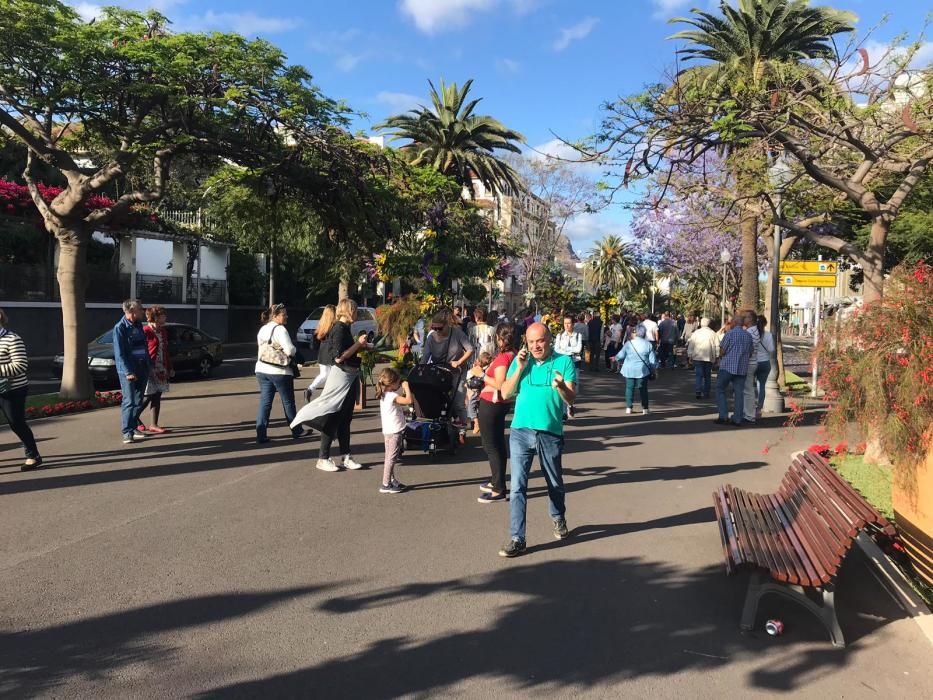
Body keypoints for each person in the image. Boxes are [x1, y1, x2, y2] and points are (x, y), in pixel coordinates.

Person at [497, 322, 576, 557]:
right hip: (521, 431)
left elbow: (571, 398)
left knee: (554, 482)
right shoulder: (522, 361)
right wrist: (519, 367)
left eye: (539, 341)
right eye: (531, 342)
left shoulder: (564, 362)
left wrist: (561, 386)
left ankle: (558, 517)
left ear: (549, 340)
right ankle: (517, 537)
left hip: (549, 432)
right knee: (518, 486)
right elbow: (505, 393)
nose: (535, 346)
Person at [291, 298, 373, 471]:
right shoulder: (338, 328)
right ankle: (323, 458)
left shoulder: (344, 328)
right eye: (356, 310)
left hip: (349, 377)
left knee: (345, 419)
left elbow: (346, 352)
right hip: (341, 377)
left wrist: (363, 347)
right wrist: (358, 344)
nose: (357, 313)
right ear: (349, 310)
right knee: (333, 416)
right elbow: (338, 356)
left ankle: (346, 456)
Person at [477, 323, 518, 504]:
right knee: (497, 444)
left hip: (492, 404)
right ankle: (497, 481)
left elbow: (500, 385)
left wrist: (482, 374)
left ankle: (498, 488)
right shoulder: (513, 355)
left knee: (491, 446)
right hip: (498, 405)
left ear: (501, 339)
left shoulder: (504, 358)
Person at [255, 303, 303, 444]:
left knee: (265, 402)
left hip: (261, 369)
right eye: (284, 314)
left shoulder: (262, 329)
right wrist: (297, 354)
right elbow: (289, 350)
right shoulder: (280, 329)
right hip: (280, 371)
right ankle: (297, 430)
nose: (286, 316)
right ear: (275, 316)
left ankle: (261, 434)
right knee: (288, 402)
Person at [0, 308, 42, 470]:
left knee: (16, 423)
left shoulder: (12, 339)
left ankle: (33, 455)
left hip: (13, 390)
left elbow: (21, 365)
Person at [421, 308, 474, 435]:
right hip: (439, 371)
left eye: (440, 328)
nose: (437, 331)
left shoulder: (457, 333)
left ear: (447, 325)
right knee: (437, 399)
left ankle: (462, 430)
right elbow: (425, 356)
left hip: (457, 371)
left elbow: (470, 349)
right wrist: (421, 368)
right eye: (435, 328)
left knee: (458, 402)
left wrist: (459, 362)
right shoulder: (431, 338)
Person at [113, 299, 150, 444]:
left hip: (142, 367)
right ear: (132, 311)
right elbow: (119, 353)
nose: (143, 311)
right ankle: (127, 432)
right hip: (129, 370)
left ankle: (134, 427)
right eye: (141, 309)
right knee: (129, 401)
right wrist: (128, 371)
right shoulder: (120, 328)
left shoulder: (139, 325)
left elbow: (143, 347)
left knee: (139, 400)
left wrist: (148, 365)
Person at [375, 367, 413, 494]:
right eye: (398, 382)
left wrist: (403, 411)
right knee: (391, 458)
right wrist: (406, 387)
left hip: (388, 430)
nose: (399, 383)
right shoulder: (392, 395)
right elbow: (409, 400)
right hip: (394, 432)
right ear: (391, 384)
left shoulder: (384, 394)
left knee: (390, 456)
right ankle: (385, 484)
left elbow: (393, 409)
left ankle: (391, 480)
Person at [138, 305, 173, 434]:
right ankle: (133, 418)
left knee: (157, 396)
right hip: (149, 368)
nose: (165, 317)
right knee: (147, 396)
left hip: (161, 367)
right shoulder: (145, 331)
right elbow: (141, 351)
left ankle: (154, 424)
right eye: (163, 315)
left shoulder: (163, 331)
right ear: (156, 317)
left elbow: (165, 350)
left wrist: (169, 367)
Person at [715, 314, 754, 427]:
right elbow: (750, 352)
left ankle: (723, 416)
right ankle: (737, 418)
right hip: (742, 368)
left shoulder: (730, 334)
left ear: (734, 323)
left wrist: (722, 356)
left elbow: (722, 351)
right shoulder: (748, 336)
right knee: (739, 393)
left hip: (727, 367)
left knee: (720, 389)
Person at [615, 324, 657, 415]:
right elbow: (652, 361)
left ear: (636, 333)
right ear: (644, 333)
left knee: (629, 388)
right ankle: (645, 409)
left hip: (629, 369)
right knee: (643, 389)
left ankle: (629, 407)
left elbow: (621, 355)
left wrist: (615, 358)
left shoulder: (629, 343)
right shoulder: (648, 344)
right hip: (643, 370)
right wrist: (653, 370)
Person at [305, 304, 336, 402]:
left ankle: (310, 389)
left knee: (323, 374)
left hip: (322, 353)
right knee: (331, 377)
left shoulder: (321, 324)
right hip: (330, 353)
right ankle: (327, 397)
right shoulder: (334, 326)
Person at [554, 314, 583, 418]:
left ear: (573, 324)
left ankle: (570, 405)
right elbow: (556, 349)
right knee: (562, 386)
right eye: (565, 323)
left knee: (574, 387)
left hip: (575, 362)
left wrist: (565, 351)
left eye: (569, 323)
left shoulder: (578, 335)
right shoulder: (560, 336)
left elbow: (578, 349)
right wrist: (568, 352)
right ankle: (563, 413)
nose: (567, 326)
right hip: (563, 363)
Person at [687, 317, 719, 399]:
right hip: (708, 357)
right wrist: (717, 356)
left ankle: (698, 390)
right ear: (709, 324)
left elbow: (691, 345)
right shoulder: (713, 333)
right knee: (707, 376)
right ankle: (706, 392)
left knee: (699, 375)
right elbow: (717, 346)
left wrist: (690, 355)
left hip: (698, 357)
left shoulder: (696, 333)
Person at [742, 311, 762, 424]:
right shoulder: (754, 330)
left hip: (749, 363)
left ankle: (749, 415)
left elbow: (748, 350)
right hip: (753, 362)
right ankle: (748, 413)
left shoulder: (749, 332)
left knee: (748, 390)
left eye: (745, 317)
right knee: (748, 389)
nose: (743, 319)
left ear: (750, 319)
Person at [466, 351, 493, 434]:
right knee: (477, 407)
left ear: (479, 361)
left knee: (471, 406)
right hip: (480, 391)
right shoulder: (485, 370)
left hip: (473, 391)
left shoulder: (477, 369)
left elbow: (469, 377)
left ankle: (476, 422)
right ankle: (478, 422)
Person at [755, 316, 776, 419]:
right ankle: (759, 409)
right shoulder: (768, 335)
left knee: (748, 386)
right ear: (765, 324)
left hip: (753, 362)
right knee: (761, 386)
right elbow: (771, 349)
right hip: (765, 363)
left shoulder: (752, 334)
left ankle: (748, 408)